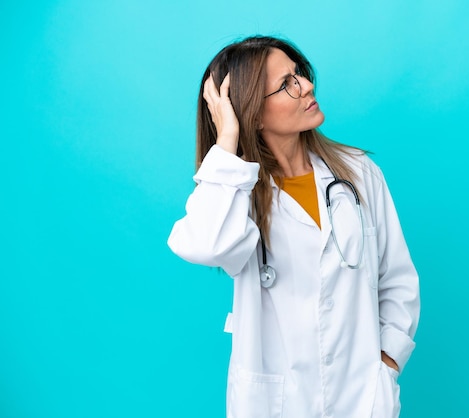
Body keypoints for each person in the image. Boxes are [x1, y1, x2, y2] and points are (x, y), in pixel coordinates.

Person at [167, 35, 420, 418]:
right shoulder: (236, 191)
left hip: (362, 400)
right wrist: (229, 139)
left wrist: (386, 366)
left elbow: (397, 279)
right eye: (286, 84)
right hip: (274, 405)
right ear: (252, 111)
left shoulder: (358, 173)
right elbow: (207, 244)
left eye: (298, 73)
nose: (306, 85)